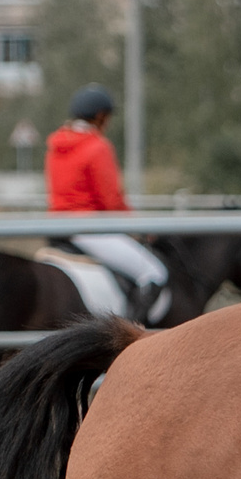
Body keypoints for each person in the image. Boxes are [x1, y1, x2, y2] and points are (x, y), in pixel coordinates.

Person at [46, 85, 169, 323]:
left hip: (57, 228)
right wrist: (139, 229)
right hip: (90, 229)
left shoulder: (56, 146)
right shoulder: (97, 147)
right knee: (154, 273)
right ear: (101, 116)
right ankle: (133, 334)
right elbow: (111, 200)